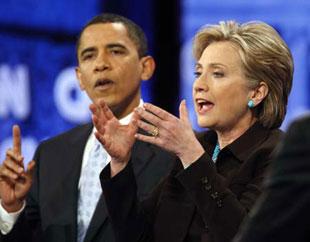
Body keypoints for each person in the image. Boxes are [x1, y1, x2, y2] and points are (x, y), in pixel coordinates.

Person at [91, 20, 294, 242]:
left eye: (217, 74)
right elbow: (137, 236)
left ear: (256, 93)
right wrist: (120, 164)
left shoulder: (279, 156)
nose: (199, 85)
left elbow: (245, 235)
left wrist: (192, 157)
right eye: (198, 73)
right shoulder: (198, 148)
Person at [0, 13, 175, 242]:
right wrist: (11, 208)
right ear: (80, 77)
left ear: (146, 67)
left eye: (116, 51)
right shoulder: (50, 153)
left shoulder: (173, 151)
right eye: (89, 55)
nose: (101, 64)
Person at [233, 115, 310, 242]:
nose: (198, 93)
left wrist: (195, 158)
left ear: (256, 95)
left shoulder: (273, 148)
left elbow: (257, 233)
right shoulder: (200, 142)